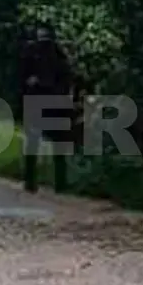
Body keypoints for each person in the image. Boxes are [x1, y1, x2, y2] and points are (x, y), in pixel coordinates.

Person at [18, 24, 85, 193]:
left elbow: (22, 79)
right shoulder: (56, 54)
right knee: (56, 143)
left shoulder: (36, 53)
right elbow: (68, 79)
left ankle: (32, 181)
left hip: (43, 100)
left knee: (37, 142)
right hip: (52, 101)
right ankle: (57, 183)